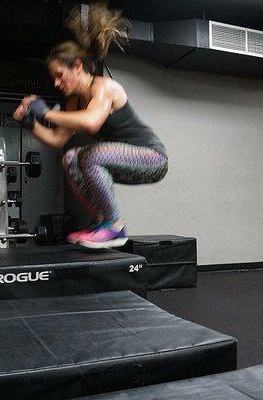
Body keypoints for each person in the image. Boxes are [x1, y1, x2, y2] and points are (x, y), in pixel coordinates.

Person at [13, 3, 168, 249]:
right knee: (70, 158)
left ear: (77, 67)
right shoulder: (74, 101)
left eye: (60, 75)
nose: (55, 83)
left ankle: (114, 226)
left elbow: (92, 121)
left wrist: (47, 113)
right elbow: (57, 140)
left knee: (89, 155)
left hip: (152, 157)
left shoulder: (103, 87)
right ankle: (102, 222)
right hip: (119, 157)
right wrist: (30, 122)